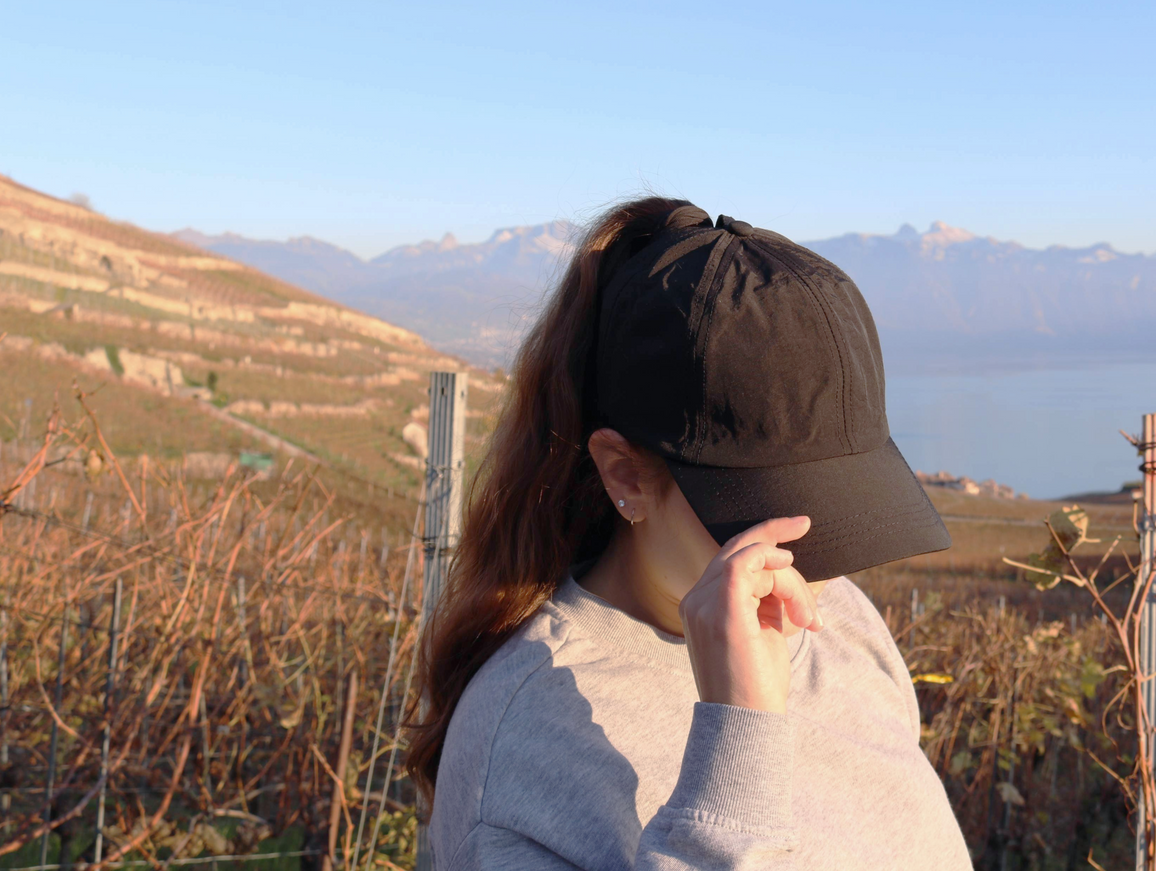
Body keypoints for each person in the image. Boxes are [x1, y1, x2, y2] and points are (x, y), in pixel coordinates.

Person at [408, 198, 973, 870]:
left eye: (845, 510)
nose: (815, 565)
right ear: (626, 475)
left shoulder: (839, 619)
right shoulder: (521, 745)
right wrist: (741, 740)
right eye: (772, 511)